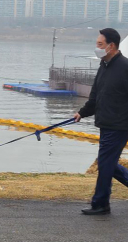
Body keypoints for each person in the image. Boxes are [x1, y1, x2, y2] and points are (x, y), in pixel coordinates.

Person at [74, 28, 128, 215]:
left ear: (111, 46)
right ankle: (101, 203)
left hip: (120, 125)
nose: (96, 47)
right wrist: (82, 113)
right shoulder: (103, 67)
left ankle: (100, 203)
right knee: (108, 163)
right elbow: (96, 97)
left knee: (105, 163)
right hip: (105, 124)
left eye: (99, 44)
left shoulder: (125, 67)